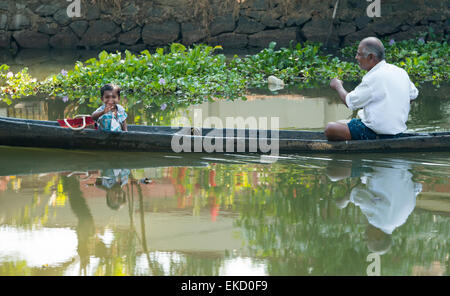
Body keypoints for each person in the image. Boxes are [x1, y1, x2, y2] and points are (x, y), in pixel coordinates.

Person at [325, 37, 419, 141]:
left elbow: (349, 102)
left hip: (375, 133)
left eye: (359, 54)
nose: (356, 57)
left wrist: (338, 86)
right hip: (398, 131)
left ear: (371, 57)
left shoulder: (373, 78)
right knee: (344, 122)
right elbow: (413, 95)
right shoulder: (400, 71)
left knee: (330, 128)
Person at [327, 158, 422, 254]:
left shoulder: (402, 218)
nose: (364, 235)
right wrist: (344, 201)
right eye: (367, 239)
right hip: (381, 166)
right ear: (378, 237)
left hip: (404, 165)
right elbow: (361, 197)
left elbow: (417, 187)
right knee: (333, 173)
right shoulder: (378, 221)